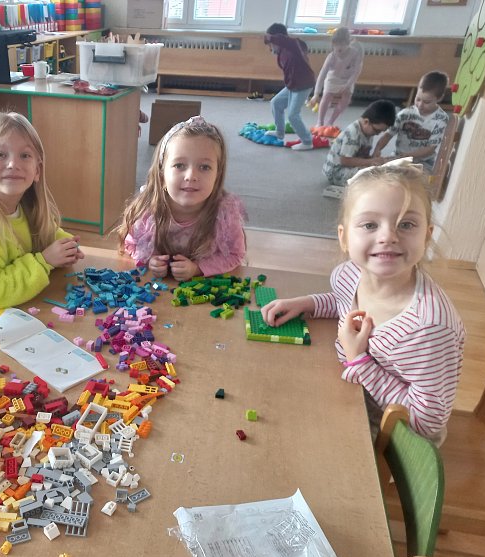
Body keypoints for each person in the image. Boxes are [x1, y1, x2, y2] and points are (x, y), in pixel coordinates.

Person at [261, 159, 464, 445]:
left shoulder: (428, 330)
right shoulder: (350, 274)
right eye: (370, 224)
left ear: (427, 237)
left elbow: (426, 424)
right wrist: (308, 303)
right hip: (350, 392)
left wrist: (360, 360)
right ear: (344, 238)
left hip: (390, 438)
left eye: (406, 224)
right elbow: (344, 302)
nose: (388, 236)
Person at [0, 112, 84, 338]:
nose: (13, 164)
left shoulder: (26, 207)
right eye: (0, 154)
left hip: (25, 308)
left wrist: (65, 244)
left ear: (37, 170)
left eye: (25, 155)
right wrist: (44, 261)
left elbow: (48, 233)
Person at [117, 116, 246, 281]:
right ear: (162, 174)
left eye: (204, 167)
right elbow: (132, 243)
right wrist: (150, 260)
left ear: (217, 175)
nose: (191, 176)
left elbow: (235, 254)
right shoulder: (148, 210)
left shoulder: (225, 214)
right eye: (179, 165)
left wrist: (198, 268)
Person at [373, 71, 450, 171]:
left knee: (413, 177)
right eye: (418, 99)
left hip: (424, 162)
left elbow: (431, 148)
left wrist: (408, 155)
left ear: (440, 98)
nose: (420, 105)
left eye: (427, 102)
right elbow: (388, 135)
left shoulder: (441, 119)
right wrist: (378, 148)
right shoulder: (405, 114)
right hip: (399, 157)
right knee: (382, 174)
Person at [263, 23, 317, 151]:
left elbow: (285, 40)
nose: (270, 47)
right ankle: (279, 132)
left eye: (271, 44)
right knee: (276, 103)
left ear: (278, 39)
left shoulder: (294, 46)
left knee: (293, 115)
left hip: (303, 85)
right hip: (293, 85)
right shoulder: (281, 52)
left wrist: (268, 36)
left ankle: (307, 141)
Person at [323, 99, 397, 186]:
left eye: (381, 131)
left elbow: (360, 156)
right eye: (377, 130)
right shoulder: (353, 133)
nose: (378, 134)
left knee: (380, 168)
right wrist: (371, 161)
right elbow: (344, 160)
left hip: (351, 166)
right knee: (372, 175)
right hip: (337, 172)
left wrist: (373, 159)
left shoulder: (368, 131)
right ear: (366, 122)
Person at [309, 28, 364, 127]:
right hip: (333, 78)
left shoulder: (355, 53)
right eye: (336, 44)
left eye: (342, 44)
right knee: (326, 96)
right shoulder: (331, 56)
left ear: (348, 43)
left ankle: (330, 121)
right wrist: (316, 94)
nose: (339, 47)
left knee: (346, 99)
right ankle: (320, 122)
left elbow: (356, 72)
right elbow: (322, 74)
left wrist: (348, 85)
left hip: (347, 80)